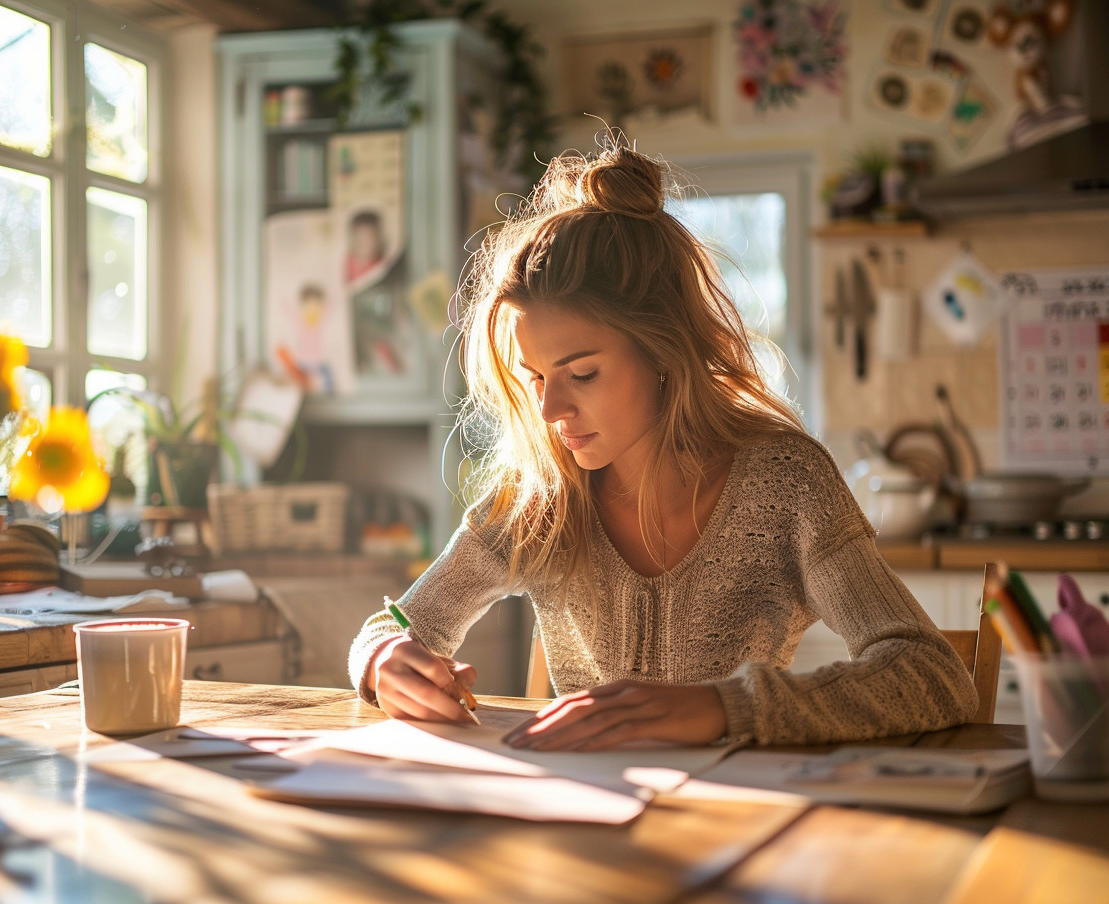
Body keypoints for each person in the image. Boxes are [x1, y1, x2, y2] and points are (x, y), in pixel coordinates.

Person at [348, 140, 977, 751]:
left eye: (583, 374)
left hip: (735, 824)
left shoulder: (786, 483)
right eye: (534, 377)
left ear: (663, 349)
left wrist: (724, 707)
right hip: (585, 826)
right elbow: (396, 625)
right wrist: (383, 658)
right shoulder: (540, 494)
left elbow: (932, 673)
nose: (549, 409)